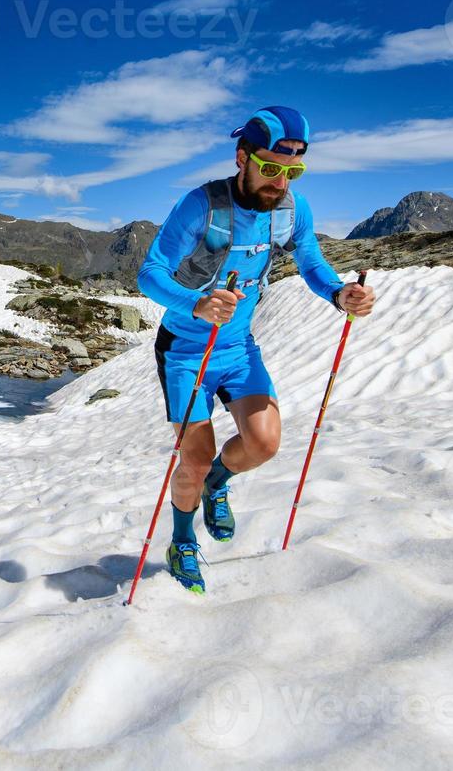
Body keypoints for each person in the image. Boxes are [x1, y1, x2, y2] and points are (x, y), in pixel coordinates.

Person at [136, 105, 376, 594]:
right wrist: (196, 303)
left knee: (263, 444)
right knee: (195, 457)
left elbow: (310, 258)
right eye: (271, 168)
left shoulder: (292, 209)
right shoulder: (200, 205)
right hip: (185, 350)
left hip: (238, 346)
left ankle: (217, 484)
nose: (281, 182)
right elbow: (150, 273)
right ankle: (182, 541)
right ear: (242, 157)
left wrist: (338, 293)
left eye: (293, 171)